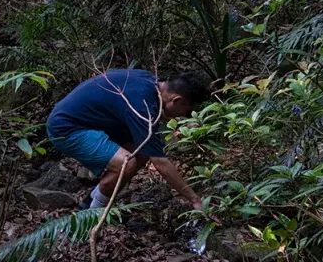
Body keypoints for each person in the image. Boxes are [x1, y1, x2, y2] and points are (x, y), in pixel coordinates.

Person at [46, 69, 209, 210]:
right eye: (186, 111)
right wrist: (194, 200)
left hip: (91, 121)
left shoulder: (149, 80)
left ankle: (91, 201)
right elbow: (160, 163)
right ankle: (91, 217)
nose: (183, 116)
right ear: (177, 100)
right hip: (66, 128)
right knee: (126, 163)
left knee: (142, 152)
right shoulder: (143, 104)